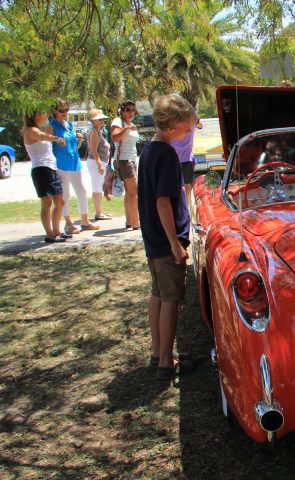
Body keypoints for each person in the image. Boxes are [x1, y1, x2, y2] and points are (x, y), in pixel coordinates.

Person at [137, 94, 198, 380]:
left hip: (153, 238)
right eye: (186, 129)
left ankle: (158, 351)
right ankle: (165, 363)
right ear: (172, 126)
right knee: (171, 299)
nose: (188, 134)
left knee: (158, 294)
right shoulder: (168, 155)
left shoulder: (149, 150)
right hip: (166, 242)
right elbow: (163, 202)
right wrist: (175, 244)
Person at [47, 99, 100, 234]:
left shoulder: (69, 124)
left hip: (74, 162)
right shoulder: (51, 126)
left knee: (81, 191)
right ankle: (68, 224)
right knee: (65, 194)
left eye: (66, 109)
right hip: (60, 164)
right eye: (61, 110)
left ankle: (85, 221)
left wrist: (78, 139)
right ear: (54, 111)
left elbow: (73, 145)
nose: (65, 112)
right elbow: (48, 146)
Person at [24, 110, 69, 243]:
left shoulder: (38, 129)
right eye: (42, 113)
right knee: (47, 203)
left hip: (50, 168)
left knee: (60, 201)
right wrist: (56, 138)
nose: (44, 115)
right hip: (41, 169)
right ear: (34, 115)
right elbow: (43, 136)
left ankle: (57, 231)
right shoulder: (31, 130)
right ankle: (50, 235)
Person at [111, 100, 141, 230]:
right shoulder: (118, 122)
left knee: (130, 192)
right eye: (128, 110)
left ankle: (130, 221)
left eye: (133, 110)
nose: (131, 112)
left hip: (131, 159)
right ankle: (136, 222)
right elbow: (115, 137)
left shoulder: (130, 123)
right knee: (134, 192)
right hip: (124, 160)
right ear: (122, 111)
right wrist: (126, 128)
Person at [85, 108, 113, 220]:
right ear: (93, 121)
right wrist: (99, 165)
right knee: (96, 188)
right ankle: (98, 213)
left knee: (98, 187)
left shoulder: (98, 132)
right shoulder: (94, 133)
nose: (101, 121)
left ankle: (101, 211)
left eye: (102, 119)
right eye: (99, 119)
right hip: (96, 162)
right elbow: (94, 150)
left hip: (100, 162)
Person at [170, 119, 202, 207]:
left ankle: (186, 209)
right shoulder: (172, 121)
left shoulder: (191, 121)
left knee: (187, 187)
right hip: (173, 157)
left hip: (186, 157)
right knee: (177, 186)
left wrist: (196, 120)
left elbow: (200, 126)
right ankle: (180, 208)